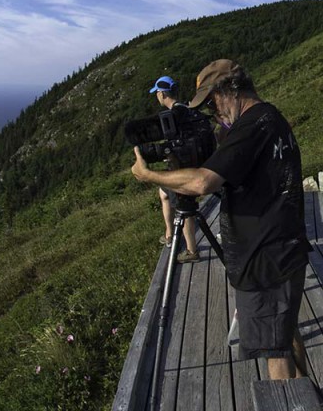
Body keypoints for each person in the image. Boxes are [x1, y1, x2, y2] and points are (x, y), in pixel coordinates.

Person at [131, 59, 311, 381]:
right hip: (283, 249)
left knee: (274, 352)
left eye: (212, 101)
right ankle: (306, 392)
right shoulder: (272, 118)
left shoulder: (253, 124)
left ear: (229, 90)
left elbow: (202, 183)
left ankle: (293, 400)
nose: (213, 111)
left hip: (264, 258)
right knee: (284, 333)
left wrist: (149, 175)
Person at [150, 76, 199, 264]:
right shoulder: (187, 109)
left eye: (156, 93)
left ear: (161, 93)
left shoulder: (174, 116)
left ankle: (191, 250)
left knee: (183, 205)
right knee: (163, 192)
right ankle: (169, 234)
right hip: (197, 162)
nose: (156, 96)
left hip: (185, 167)